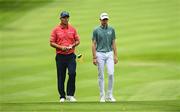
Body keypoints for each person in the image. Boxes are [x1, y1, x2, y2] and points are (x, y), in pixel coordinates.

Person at [50, 11, 80, 102]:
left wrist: (73, 45)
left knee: (72, 73)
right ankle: (62, 96)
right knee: (61, 76)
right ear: (60, 18)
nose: (66, 19)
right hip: (60, 56)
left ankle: (70, 95)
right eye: (64, 17)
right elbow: (51, 42)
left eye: (67, 17)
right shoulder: (56, 30)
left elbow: (78, 40)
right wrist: (61, 47)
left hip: (71, 55)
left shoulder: (72, 29)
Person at [92, 12, 118, 102]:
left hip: (110, 53)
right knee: (101, 75)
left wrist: (115, 55)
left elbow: (113, 43)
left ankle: (110, 95)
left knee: (111, 73)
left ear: (108, 20)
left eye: (106, 19)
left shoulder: (111, 29)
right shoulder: (96, 30)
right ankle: (102, 95)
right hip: (100, 54)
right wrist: (94, 57)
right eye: (103, 19)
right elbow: (93, 44)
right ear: (100, 20)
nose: (104, 21)